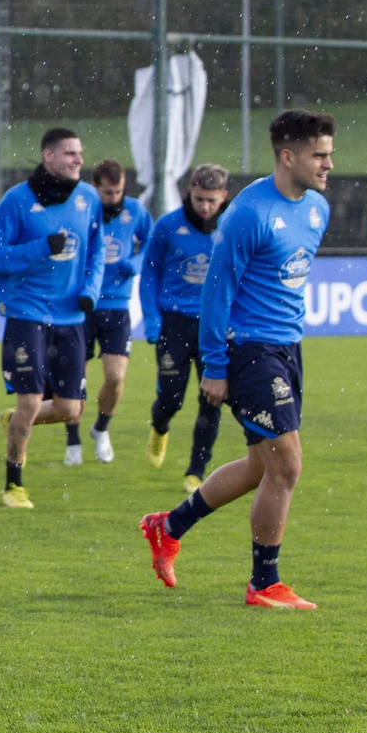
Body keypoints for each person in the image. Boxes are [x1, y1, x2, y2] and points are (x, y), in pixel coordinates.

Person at [139, 111, 335, 610]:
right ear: (288, 156)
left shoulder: (316, 209)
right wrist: (217, 365)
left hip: (288, 348)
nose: (328, 164)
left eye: (329, 153)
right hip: (249, 350)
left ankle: (169, 526)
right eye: (319, 154)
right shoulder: (247, 213)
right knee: (287, 466)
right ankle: (263, 583)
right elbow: (216, 293)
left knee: (257, 466)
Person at [0, 127, 103, 509]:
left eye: (80, 153)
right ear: (48, 156)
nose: (78, 160)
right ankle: (13, 484)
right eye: (69, 153)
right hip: (26, 311)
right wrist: (39, 249)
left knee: (70, 410)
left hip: (71, 317)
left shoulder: (89, 197)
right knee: (31, 401)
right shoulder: (17, 200)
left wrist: (91, 293)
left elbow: (98, 252)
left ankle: (14, 419)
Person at [141, 164, 231, 491]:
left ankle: (196, 469)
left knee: (213, 396)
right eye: (198, 198)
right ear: (189, 192)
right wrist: (152, 320)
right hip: (174, 323)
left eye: (211, 200)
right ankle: (160, 425)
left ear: (223, 196)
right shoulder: (167, 226)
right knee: (171, 399)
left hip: (215, 325)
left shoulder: (231, 227)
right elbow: (149, 274)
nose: (205, 206)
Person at [64, 158, 150, 466]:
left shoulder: (136, 211)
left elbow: (150, 245)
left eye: (118, 191)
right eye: (108, 192)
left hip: (117, 306)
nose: (114, 198)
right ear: (96, 188)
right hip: (82, 305)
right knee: (76, 379)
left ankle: (100, 428)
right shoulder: (83, 210)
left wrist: (135, 264)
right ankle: (72, 441)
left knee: (115, 377)